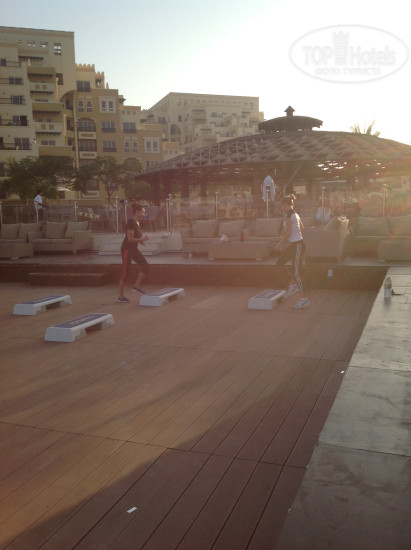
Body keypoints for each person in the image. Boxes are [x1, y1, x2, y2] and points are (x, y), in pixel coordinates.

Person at [275, 194, 310, 309]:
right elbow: (302, 228)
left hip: (298, 245)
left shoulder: (290, 214)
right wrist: (289, 232)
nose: (282, 208)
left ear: (287, 205)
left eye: (283, 206)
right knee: (279, 264)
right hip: (293, 245)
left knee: (296, 272)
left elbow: (289, 233)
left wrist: (280, 243)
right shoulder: (294, 214)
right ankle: (292, 284)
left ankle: (304, 299)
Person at [117, 203, 150, 303]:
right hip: (127, 249)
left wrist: (141, 241)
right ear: (137, 212)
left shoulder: (138, 222)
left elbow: (135, 237)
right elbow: (130, 239)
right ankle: (120, 296)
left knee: (146, 266)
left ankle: (136, 286)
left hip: (133, 249)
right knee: (125, 273)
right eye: (142, 212)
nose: (143, 214)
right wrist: (141, 239)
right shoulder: (131, 222)